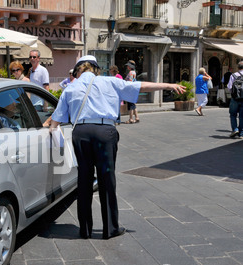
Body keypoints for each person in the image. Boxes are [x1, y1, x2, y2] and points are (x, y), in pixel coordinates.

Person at [49, 55, 185, 240]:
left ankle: (85, 230)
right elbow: (141, 86)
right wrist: (168, 86)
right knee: (107, 179)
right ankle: (110, 229)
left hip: (80, 132)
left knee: (84, 180)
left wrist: (46, 130)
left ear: (78, 71)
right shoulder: (110, 82)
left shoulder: (70, 87)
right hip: (105, 132)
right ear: (96, 69)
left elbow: (56, 119)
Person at [227, 61, 243, 138]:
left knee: (233, 114)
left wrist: (233, 94)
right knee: (242, 116)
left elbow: (229, 87)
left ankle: (235, 129)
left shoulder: (233, 75)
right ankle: (241, 134)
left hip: (235, 99)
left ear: (238, 67)